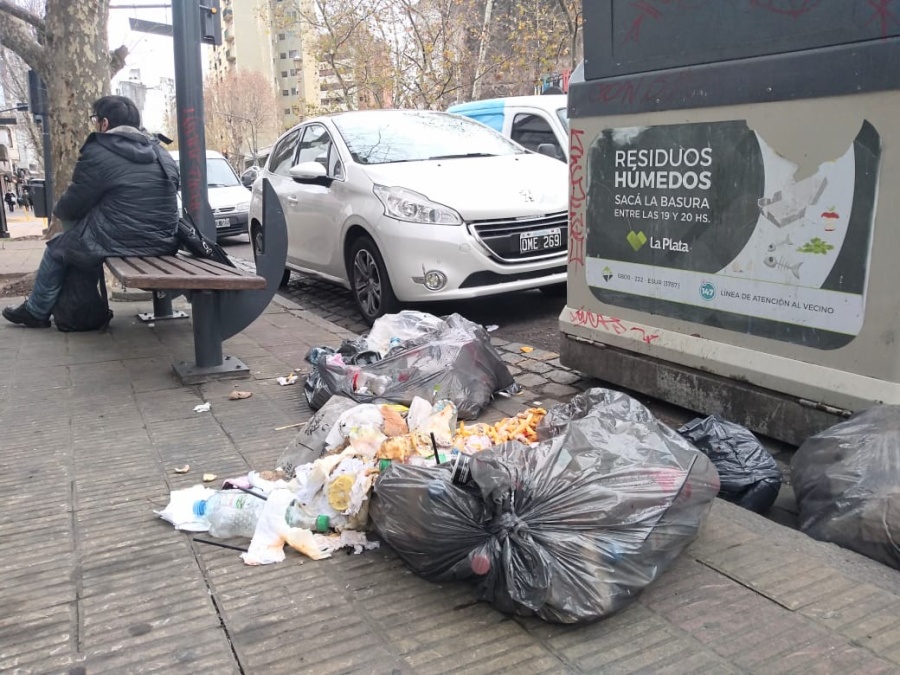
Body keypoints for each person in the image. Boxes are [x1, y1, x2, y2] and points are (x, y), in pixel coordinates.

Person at [3, 95, 180, 328]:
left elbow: (75, 201)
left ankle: (35, 312)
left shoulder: (100, 150)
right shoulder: (161, 152)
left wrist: (58, 210)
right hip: (165, 242)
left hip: (120, 241)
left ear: (104, 123)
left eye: (95, 119)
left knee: (57, 247)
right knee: (75, 246)